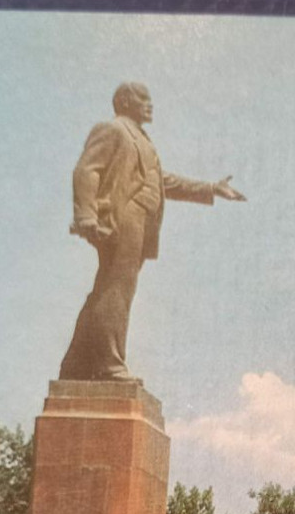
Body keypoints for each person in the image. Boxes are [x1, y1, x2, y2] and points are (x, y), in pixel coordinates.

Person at [59, 81, 246, 381]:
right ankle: (110, 364)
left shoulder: (142, 140)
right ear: (124, 101)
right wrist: (86, 216)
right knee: (116, 290)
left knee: (111, 289)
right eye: (143, 98)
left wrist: (211, 188)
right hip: (122, 217)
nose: (150, 104)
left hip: (141, 222)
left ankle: (76, 365)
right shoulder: (113, 130)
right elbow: (87, 169)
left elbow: (164, 181)